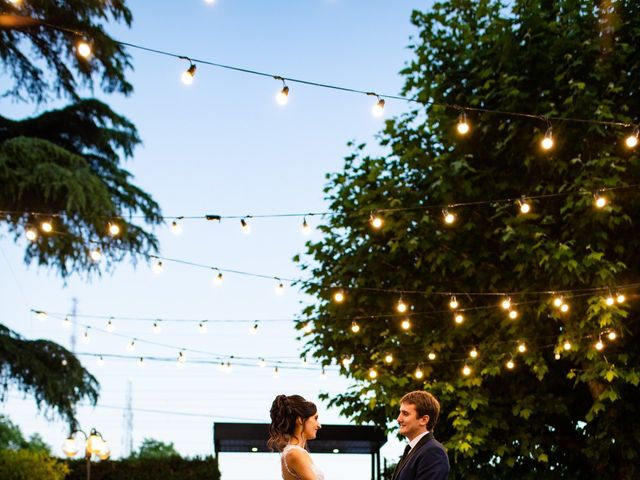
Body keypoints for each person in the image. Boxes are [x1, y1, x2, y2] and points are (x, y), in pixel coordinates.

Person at [392, 390, 450, 480]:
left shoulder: (433, 451)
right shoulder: (415, 449)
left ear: (424, 420)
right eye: (400, 412)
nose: (398, 419)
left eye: (405, 414)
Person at [269, 394, 324, 480]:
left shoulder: (295, 452)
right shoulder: (295, 454)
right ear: (300, 420)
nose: (319, 425)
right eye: (315, 418)